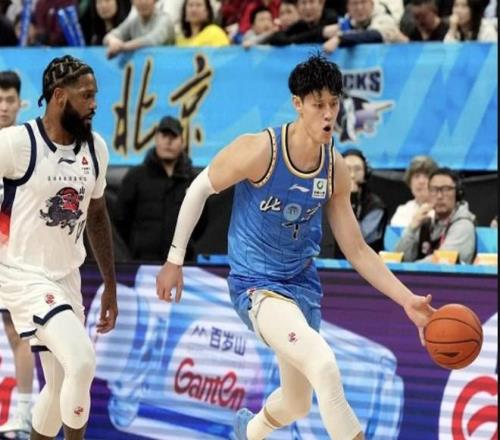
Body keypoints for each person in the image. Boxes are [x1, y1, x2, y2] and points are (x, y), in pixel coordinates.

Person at [156, 54, 434, 440]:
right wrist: (174, 260)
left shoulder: (334, 168)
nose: (328, 114)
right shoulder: (260, 150)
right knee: (324, 366)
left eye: (334, 103)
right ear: (298, 104)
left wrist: (406, 300)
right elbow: (199, 188)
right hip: (257, 286)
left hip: (302, 284)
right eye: (318, 104)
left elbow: (357, 249)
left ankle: (248, 431)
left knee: (297, 402)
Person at [0, 55, 117, 440]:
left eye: (95, 95)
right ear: (59, 97)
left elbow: (97, 215)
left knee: (60, 384)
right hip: (22, 275)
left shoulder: (96, 149)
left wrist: (110, 285)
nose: (94, 104)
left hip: (66, 276)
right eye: (86, 96)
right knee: (82, 362)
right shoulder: (17, 143)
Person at [114, 115, 204, 261]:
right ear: (156, 139)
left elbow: (202, 222)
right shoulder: (136, 177)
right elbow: (121, 219)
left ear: (182, 142)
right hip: (141, 262)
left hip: (182, 263)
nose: (168, 141)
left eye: (174, 136)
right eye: (164, 135)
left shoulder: (194, 180)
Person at [0, 71, 35, 439]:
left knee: (17, 332)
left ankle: (24, 415)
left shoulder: (26, 145)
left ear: (20, 103)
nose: (3, 107)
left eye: (10, 100)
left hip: (13, 255)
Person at [396, 168, 476, 264]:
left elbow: (444, 261)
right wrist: (411, 228)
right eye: (434, 190)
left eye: (446, 189)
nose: (439, 196)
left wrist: (411, 268)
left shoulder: (463, 225)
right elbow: (400, 259)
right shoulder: (426, 222)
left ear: (458, 193)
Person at [337, 148, 387, 256]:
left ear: (366, 173)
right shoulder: (325, 199)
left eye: (357, 169)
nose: (352, 175)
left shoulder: (375, 205)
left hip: (363, 260)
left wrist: (351, 198)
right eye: (346, 169)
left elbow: (356, 238)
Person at [103, 0, 174, 59]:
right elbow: (109, 36)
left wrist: (123, 47)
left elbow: (153, 39)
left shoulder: (164, 19)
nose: (143, 2)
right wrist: (113, 41)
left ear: (155, 1)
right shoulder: (133, 20)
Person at [390, 155, 438, 228]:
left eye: (426, 176)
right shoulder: (402, 211)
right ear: (410, 183)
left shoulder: (444, 210)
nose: (421, 181)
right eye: (417, 176)